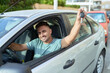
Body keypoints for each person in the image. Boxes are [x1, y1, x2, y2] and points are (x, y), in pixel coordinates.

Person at [9, 8, 86, 59]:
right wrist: (7, 44)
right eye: (39, 33)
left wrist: (78, 21)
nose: (41, 35)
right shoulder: (36, 42)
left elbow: (71, 37)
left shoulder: (57, 43)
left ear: (50, 31)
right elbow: (20, 47)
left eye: (44, 31)